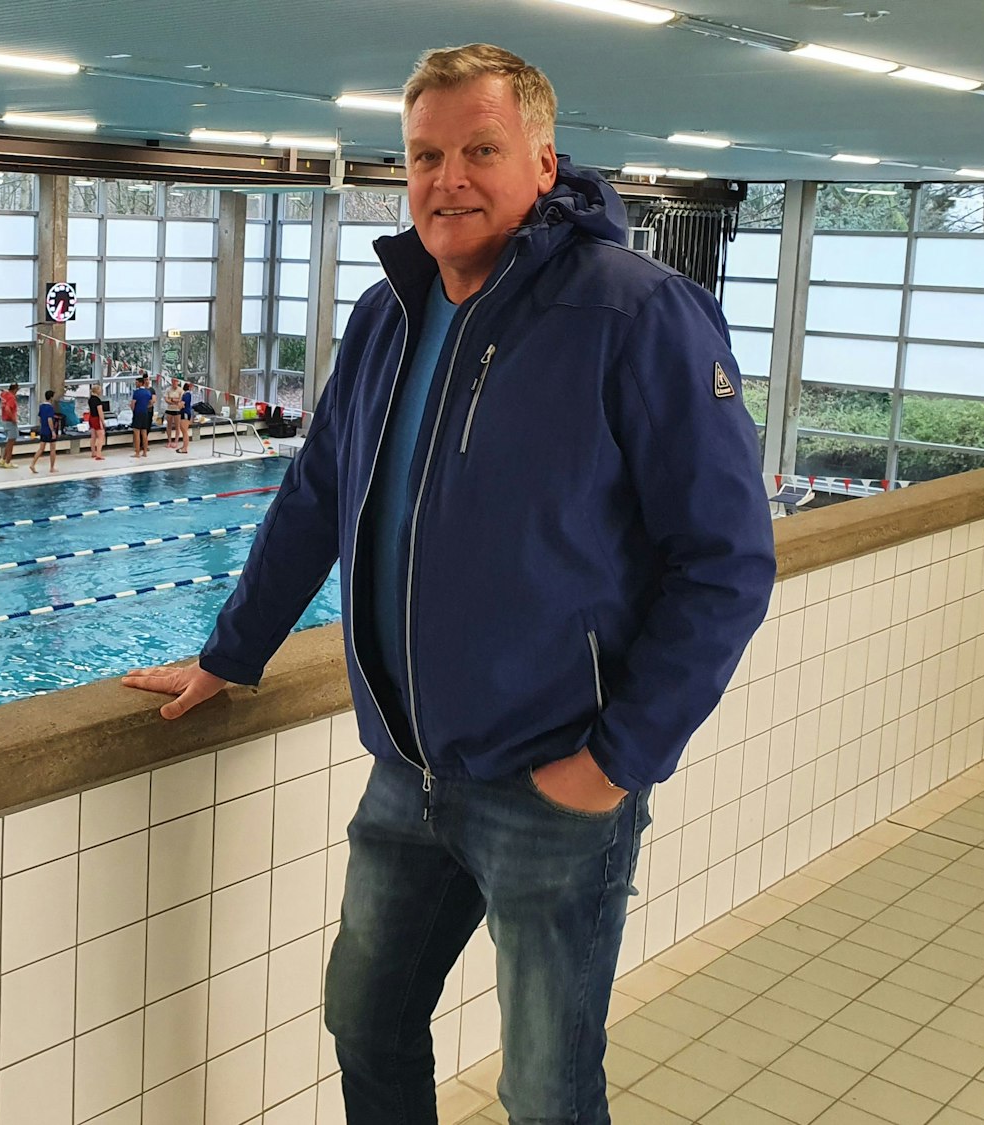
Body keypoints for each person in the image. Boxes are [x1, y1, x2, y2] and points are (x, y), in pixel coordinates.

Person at [123, 43, 774, 1125]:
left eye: (479, 149)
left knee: (544, 1087)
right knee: (364, 1021)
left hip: (552, 787)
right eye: (424, 155)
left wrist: (616, 761)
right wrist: (229, 654)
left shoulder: (632, 313)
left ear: (541, 158)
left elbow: (726, 560)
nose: (447, 179)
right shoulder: (389, 312)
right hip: (408, 779)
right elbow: (314, 494)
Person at [29, 389, 62, 474]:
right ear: (51, 397)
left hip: (43, 430)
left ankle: (32, 464)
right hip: (49, 431)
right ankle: (52, 467)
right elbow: (50, 419)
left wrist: (42, 427)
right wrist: (53, 431)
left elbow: (40, 418)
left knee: (41, 449)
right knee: (53, 449)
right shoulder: (50, 407)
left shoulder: (41, 406)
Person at [129, 375, 154, 458]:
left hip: (138, 413)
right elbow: (151, 403)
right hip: (145, 413)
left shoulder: (136, 392)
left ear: (140, 383)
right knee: (144, 433)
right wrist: (145, 407)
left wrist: (133, 410)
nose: (136, 384)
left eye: (136, 382)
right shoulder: (148, 392)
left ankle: (137, 453)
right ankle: (145, 452)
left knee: (136, 433)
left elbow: (133, 404)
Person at [0, 382, 20, 468]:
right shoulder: (11, 398)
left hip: (4, 420)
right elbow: (7, 409)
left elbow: (2, 394)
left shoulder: (4, 395)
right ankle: (8, 462)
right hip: (10, 421)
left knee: (8, 441)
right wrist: (13, 419)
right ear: (15, 390)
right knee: (11, 442)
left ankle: (2, 459)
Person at [86, 383, 108, 461]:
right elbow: (100, 412)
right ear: (97, 390)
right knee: (101, 436)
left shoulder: (90, 399)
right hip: (97, 419)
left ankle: (93, 452)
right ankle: (98, 454)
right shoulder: (97, 400)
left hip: (91, 417)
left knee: (93, 436)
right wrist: (103, 421)